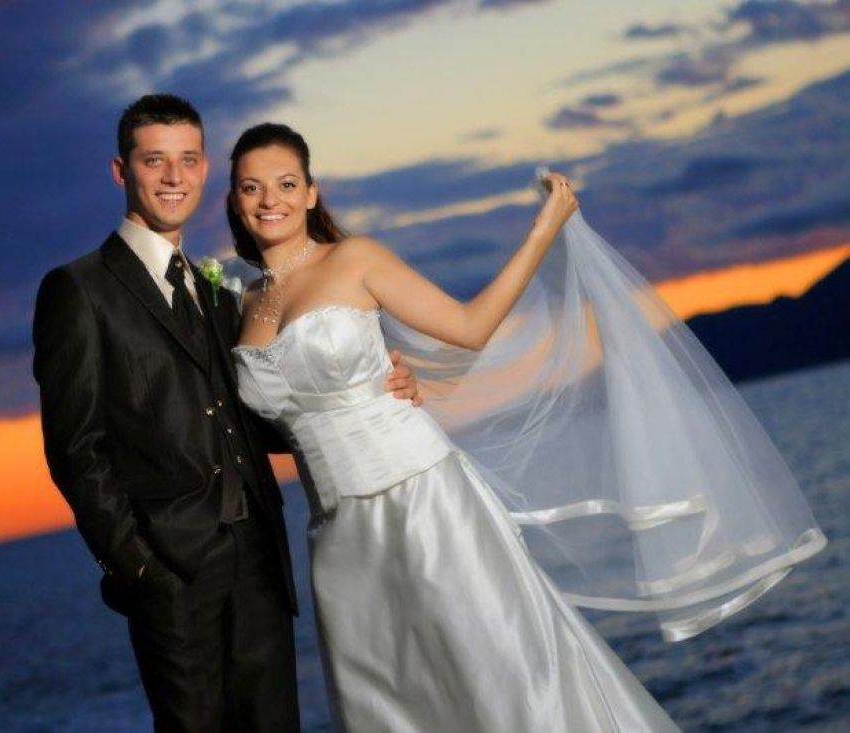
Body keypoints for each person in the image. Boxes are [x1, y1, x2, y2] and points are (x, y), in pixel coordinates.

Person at [226, 121, 819, 730]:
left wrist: (544, 229)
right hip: (335, 535)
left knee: (504, 679)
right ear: (236, 200)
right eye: (252, 187)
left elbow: (470, 327)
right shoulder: (242, 304)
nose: (270, 199)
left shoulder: (355, 259)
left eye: (286, 184)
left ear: (311, 193)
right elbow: (276, 420)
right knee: (391, 705)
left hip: (422, 499)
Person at [30, 95, 421, 732]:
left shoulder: (216, 288)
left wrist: (372, 388)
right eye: (154, 160)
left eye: (188, 160)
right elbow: (75, 450)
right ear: (121, 170)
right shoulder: (79, 290)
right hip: (171, 575)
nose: (174, 177)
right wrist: (138, 567)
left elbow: (254, 419)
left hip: (261, 562)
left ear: (205, 168)